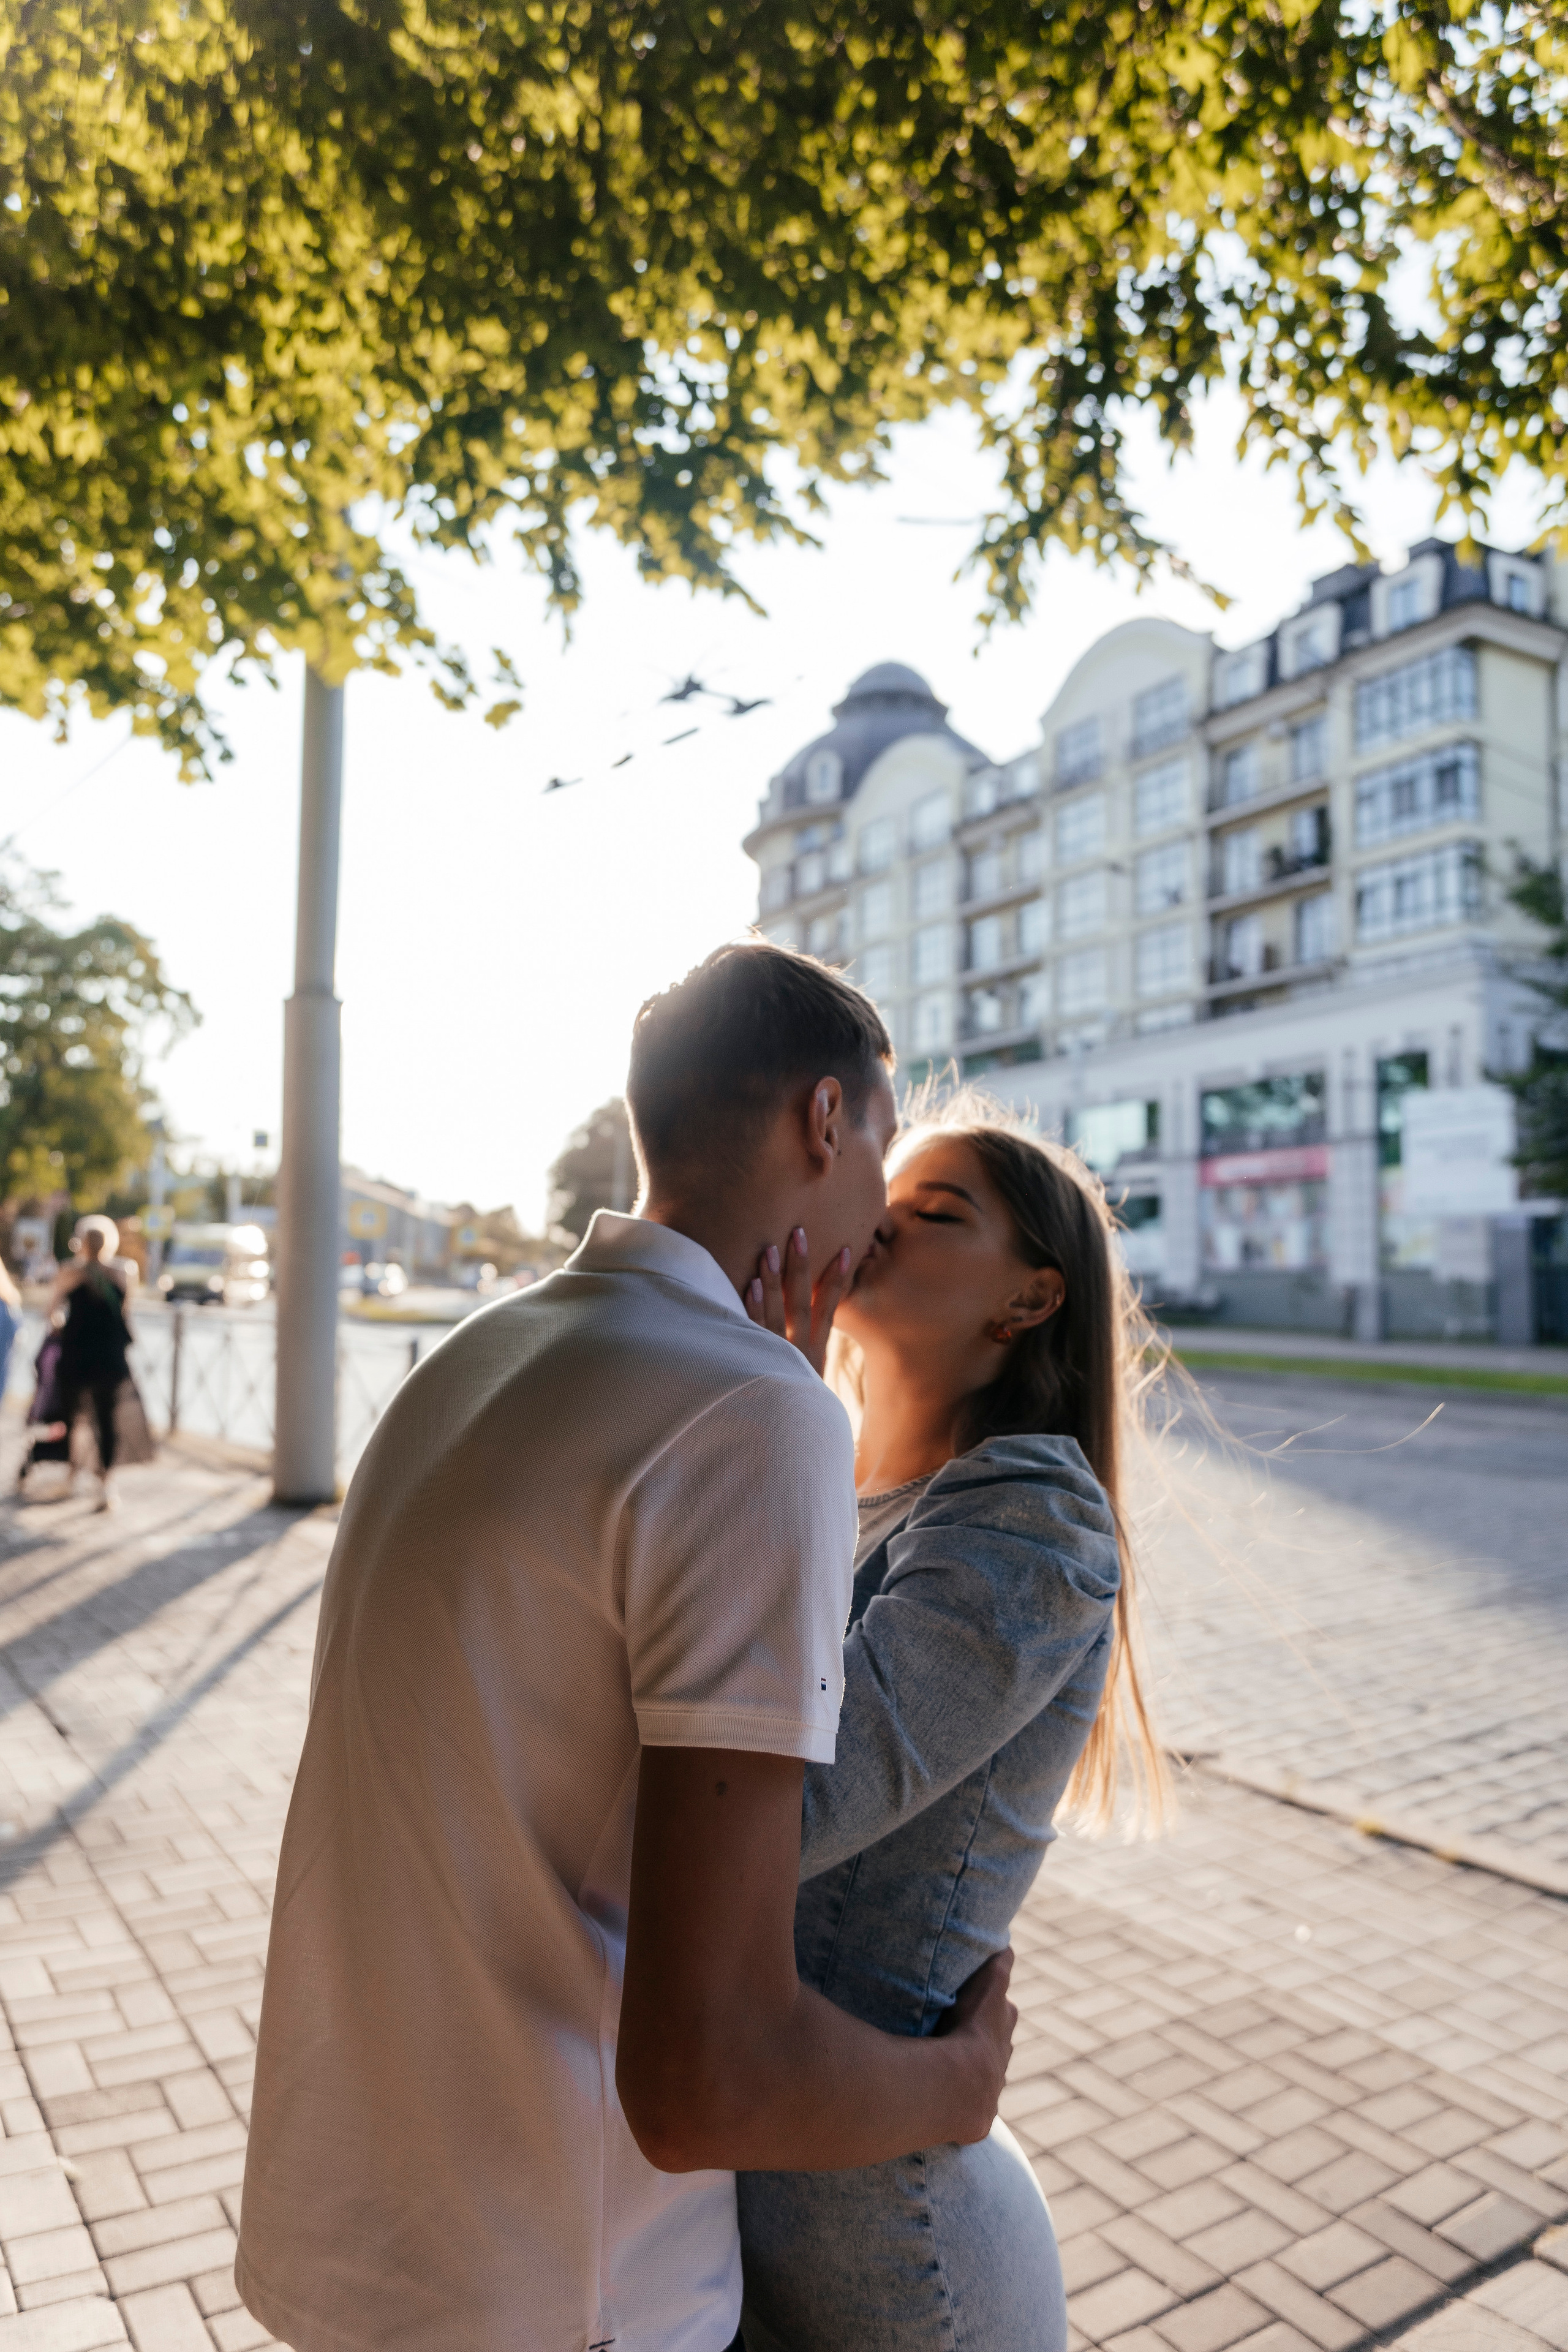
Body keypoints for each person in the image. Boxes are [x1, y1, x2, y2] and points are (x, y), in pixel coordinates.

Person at [236, 944, 1017, 2352]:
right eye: (881, 1158)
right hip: (559, 2284)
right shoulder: (749, 1412)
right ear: (825, 1121)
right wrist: (953, 2085)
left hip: (348, 2232)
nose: (878, 1217)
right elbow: (706, 2074)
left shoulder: (473, 1356)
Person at [736, 1089, 1167, 2352]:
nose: (881, 1220)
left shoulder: (1027, 1523)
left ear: (1027, 1300)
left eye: (933, 1214)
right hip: (755, 2172)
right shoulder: (845, 1477)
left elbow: (780, 1817)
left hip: (888, 2233)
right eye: (887, 1193)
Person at [19, 1215, 136, 1509]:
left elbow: (51, 1312)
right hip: (111, 1357)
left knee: (72, 1418)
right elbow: (126, 1311)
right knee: (108, 1419)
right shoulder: (124, 1270)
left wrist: (61, 1323)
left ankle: (72, 1473)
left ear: (80, 1242)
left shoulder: (71, 1271)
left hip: (77, 1356)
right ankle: (106, 1484)